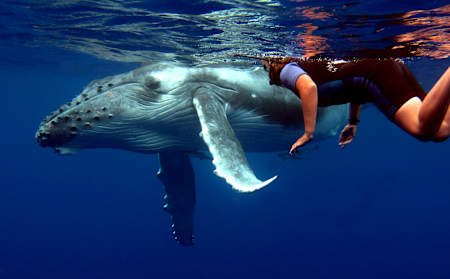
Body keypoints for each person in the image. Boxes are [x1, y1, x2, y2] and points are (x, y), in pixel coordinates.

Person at [262, 57, 450, 154]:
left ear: (270, 66)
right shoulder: (309, 65)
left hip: (377, 76)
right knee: (440, 130)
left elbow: (308, 88)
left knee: (422, 129)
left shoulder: (286, 71)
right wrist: (353, 122)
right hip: (384, 68)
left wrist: (308, 133)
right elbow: (351, 85)